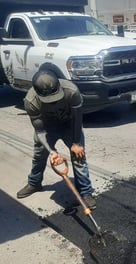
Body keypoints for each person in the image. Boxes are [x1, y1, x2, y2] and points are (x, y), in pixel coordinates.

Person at [17, 70, 96, 209]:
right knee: (39, 155)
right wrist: (52, 151)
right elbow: (40, 131)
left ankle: (85, 192)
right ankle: (34, 183)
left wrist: (76, 143)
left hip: (69, 125)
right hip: (47, 128)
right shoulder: (31, 101)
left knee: (79, 157)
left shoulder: (71, 91)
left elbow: (78, 117)